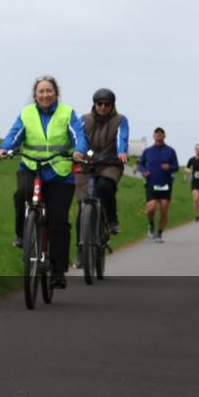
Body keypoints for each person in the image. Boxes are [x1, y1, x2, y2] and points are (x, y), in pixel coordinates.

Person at [0, 76, 87, 289]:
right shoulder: (27, 114)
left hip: (60, 172)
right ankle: (22, 234)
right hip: (31, 166)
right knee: (21, 195)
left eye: (49, 91)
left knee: (58, 220)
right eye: (41, 91)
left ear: (56, 93)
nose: (45, 95)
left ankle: (57, 271)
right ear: (35, 95)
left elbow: (78, 135)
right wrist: (4, 148)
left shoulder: (67, 113)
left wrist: (79, 151)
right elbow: (14, 135)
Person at [72, 88, 129, 268]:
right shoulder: (85, 119)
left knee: (104, 186)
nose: (103, 107)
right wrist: (77, 152)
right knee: (83, 205)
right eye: (99, 104)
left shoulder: (120, 120)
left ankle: (111, 220)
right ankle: (80, 250)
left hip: (110, 163)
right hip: (86, 164)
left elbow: (122, 137)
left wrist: (121, 152)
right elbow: (78, 137)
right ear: (94, 104)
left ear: (112, 105)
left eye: (107, 104)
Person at [138, 128, 179, 243]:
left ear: (164, 136)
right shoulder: (148, 151)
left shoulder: (170, 151)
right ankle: (151, 225)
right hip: (151, 182)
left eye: (161, 134)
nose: (159, 136)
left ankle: (159, 233)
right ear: (153, 136)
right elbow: (141, 164)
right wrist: (144, 171)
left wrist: (169, 167)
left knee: (164, 210)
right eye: (157, 134)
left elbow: (176, 167)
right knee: (151, 208)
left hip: (166, 184)